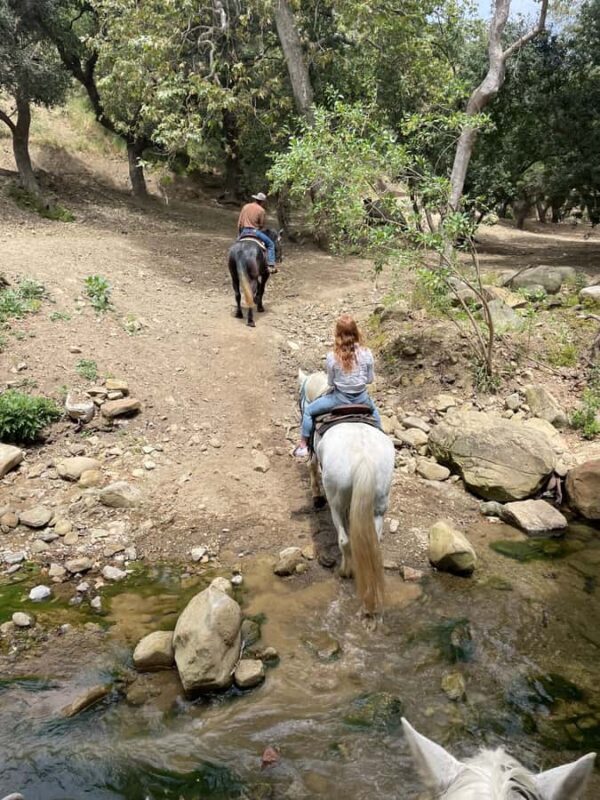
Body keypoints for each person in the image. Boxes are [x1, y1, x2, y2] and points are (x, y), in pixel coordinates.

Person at [293, 315, 382, 458]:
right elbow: (370, 380)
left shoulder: (332, 356)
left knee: (309, 411)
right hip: (362, 399)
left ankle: (303, 445)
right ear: (356, 332)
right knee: (377, 419)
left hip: (339, 399)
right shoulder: (367, 353)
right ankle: (382, 440)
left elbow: (330, 383)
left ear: (337, 334)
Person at [237, 192, 277, 272]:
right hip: (254, 231)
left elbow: (239, 223)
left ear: (255, 199)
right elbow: (261, 225)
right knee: (271, 244)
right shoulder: (261, 210)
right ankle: (271, 265)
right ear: (262, 202)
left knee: (236, 245)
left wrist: (239, 234)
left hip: (244, 231)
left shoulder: (245, 206)